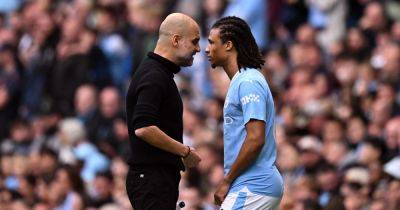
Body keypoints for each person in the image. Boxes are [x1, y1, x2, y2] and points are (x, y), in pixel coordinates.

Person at [205, 16, 284, 209]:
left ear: (228, 45)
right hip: (252, 184)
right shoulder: (241, 81)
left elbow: (256, 138)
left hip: (254, 185)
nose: (206, 49)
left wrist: (227, 180)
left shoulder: (249, 82)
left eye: (211, 43)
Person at [125, 13, 202, 210]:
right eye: (194, 42)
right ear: (176, 39)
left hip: (156, 180)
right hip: (151, 180)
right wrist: (184, 151)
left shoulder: (159, 73)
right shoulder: (154, 76)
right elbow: (143, 127)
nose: (198, 49)